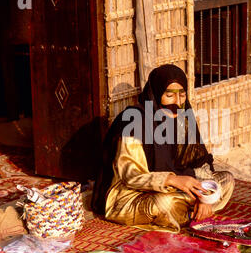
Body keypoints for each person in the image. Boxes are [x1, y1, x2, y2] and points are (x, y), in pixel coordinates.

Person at [91, 64, 234, 232]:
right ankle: (186, 213)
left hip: (177, 188)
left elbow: (198, 162)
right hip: (133, 194)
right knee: (163, 203)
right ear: (157, 94)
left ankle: (190, 210)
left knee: (226, 181)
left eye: (182, 95)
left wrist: (204, 197)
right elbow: (132, 177)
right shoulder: (135, 123)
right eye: (169, 96)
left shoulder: (182, 117)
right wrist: (171, 180)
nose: (177, 102)